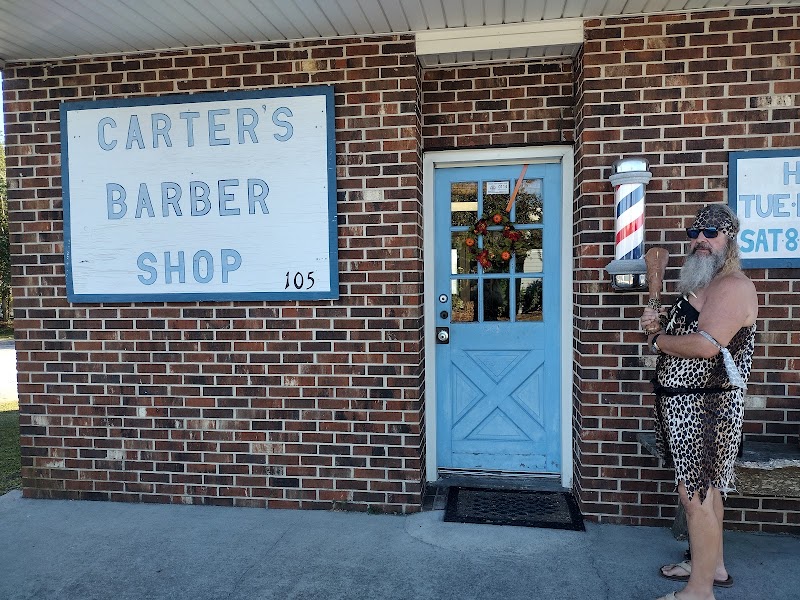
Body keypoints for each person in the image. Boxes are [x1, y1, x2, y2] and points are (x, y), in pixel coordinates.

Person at [640, 204, 758, 600]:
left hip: (707, 410)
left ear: (730, 238)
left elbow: (706, 346)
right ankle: (713, 566)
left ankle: (699, 591)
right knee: (708, 493)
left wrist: (657, 341)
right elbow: (685, 333)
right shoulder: (703, 282)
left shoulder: (733, 287)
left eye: (711, 232)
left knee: (696, 497)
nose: (700, 241)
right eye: (695, 233)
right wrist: (656, 323)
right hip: (683, 405)